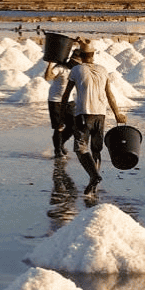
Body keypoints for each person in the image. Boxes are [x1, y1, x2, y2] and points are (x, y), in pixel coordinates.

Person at [59, 39, 127, 195]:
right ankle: (93, 185)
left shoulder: (76, 70)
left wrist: (62, 116)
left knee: (80, 148)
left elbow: (66, 95)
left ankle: (94, 176)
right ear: (93, 55)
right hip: (101, 115)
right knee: (96, 151)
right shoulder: (103, 70)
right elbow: (109, 94)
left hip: (84, 114)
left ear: (81, 56)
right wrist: (117, 114)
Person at [43, 51, 77, 157]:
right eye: (75, 61)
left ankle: (61, 143)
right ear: (71, 59)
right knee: (59, 126)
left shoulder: (76, 70)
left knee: (72, 126)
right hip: (56, 101)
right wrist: (50, 64)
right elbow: (48, 77)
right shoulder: (60, 67)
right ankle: (57, 151)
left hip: (69, 101)